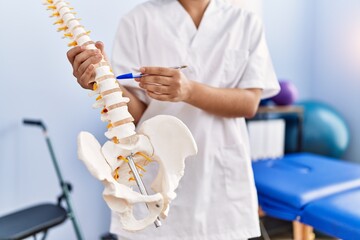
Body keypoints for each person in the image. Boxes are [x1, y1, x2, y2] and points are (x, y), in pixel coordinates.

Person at [67, 0, 280, 239]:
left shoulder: (246, 22)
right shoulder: (138, 21)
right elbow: (135, 111)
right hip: (156, 179)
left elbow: (249, 103)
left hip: (219, 182)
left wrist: (189, 91)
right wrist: (103, 81)